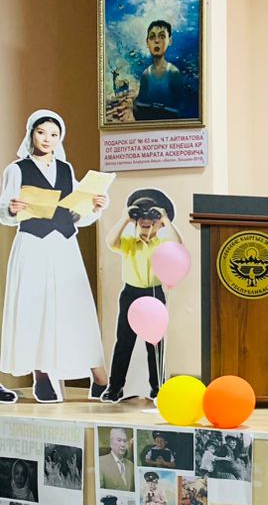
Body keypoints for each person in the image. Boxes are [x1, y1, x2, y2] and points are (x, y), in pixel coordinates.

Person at [0, 110, 109, 402]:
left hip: (63, 245)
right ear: (31, 134)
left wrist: (95, 205)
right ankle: (42, 377)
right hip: (33, 245)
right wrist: (11, 208)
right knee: (36, 307)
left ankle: (100, 378)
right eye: (41, 133)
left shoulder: (65, 169)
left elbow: (75, 213)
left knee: (75, 307)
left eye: (54, 134)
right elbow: (5, 212)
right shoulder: (17, 169)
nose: (47, 139)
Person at [102, 188, 183, 402]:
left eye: (152, 218)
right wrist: (125, 218)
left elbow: (178, 245)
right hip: (130, 293)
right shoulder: (129, 242)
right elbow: (110, 241)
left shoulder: (162, 244)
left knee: (155, 344)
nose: (146, 221)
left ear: (160, 224)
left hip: (154, 293)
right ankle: (115, 387)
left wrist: (165, 219)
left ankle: (158, 387)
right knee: (124, 342)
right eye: (141, 218)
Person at [133, 20, 185, 121]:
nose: (156, 41)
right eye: (152, 37)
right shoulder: (146, 74)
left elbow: (181, 105)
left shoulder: (173, 73)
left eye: (162, 36)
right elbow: (140, 102)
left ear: (170, 41)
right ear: (147, 42)